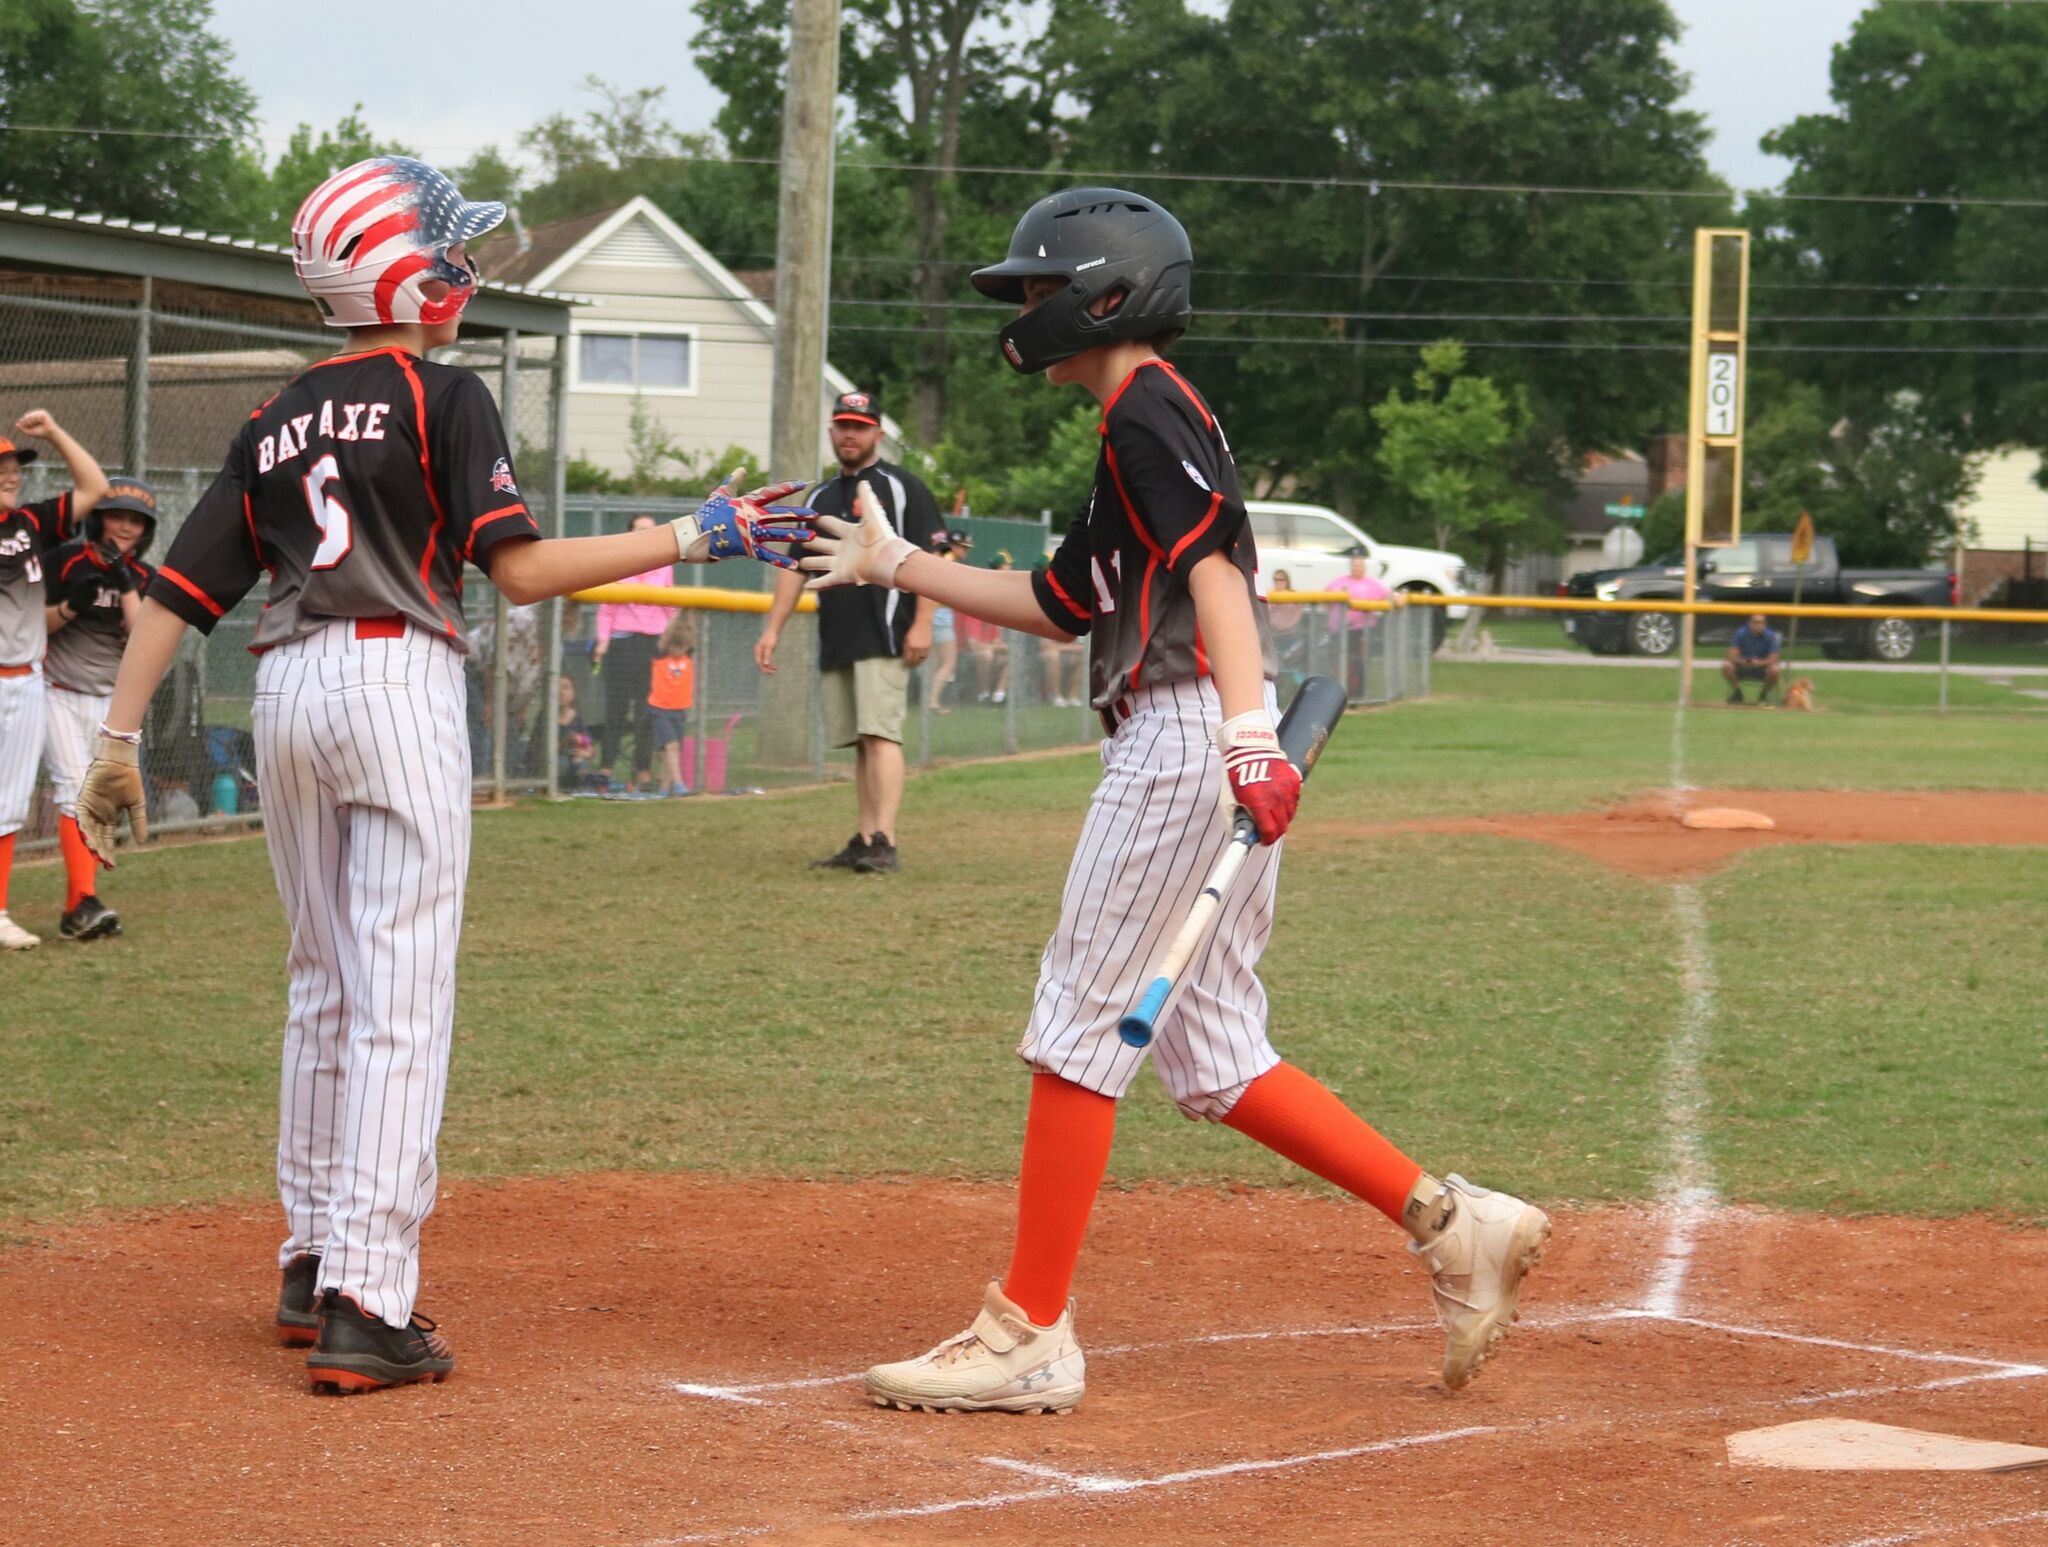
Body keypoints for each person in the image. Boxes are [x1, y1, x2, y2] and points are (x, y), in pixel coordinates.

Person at [801, 186, 1549, 1414]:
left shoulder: (1147, 409)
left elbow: (1213, 577)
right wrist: (895, 563)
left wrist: (1249, 737)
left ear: (1108, 294)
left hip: (1186, 743)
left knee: (1077, 1021)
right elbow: (1056, 603)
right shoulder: (1136, 424)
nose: (1027, 309)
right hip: (1199, 739)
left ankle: (1027, 1328)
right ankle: (1449, 1220)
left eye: (1042, 288)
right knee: (1211, 1051)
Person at [73, 156, 811, 1394]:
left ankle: (312, 1260)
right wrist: (698, 530)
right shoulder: (443, 392)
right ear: (400, 275)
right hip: (395, 678)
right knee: (401, 993)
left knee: (323, 982)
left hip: (291, 689)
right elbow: (515, 573)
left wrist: (112, 738)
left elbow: (179, 593)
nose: (465, 270)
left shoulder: (275, 416)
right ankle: (371, 1299)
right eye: (448, 252)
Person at [756, 388, 942, 876]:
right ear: (831, 431)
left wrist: (923, 624)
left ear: (878, 432)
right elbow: (795, 566)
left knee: (881, 734)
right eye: (842, 425)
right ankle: (863, 838)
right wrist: (772, 629)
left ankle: (886, 839)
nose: (850, 434)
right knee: (860, 739)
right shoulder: (819, 496)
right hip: (838, 632)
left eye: (860, 426)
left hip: (885, 631)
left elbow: (932, 558)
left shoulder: (902, 487)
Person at [0, 411, 108, 952]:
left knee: (9, 803)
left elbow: (96, 487)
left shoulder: (29, 523)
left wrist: (55, 433)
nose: (11, 473)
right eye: (0, 468)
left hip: (29, 679)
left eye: (14, 465)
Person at [42, 476, 158, 940]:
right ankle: (83, 904)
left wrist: (123, 579)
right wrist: (71, 605)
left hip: (111, 702)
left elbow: (142, 637)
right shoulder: (62, 560)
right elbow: (34, 628)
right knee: (73, 789)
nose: (125, 527)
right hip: (58, 690)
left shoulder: (145, 578)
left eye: (135, 521)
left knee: (98, 800)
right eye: (117, 516)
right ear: (98, 518)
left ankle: (79, 908)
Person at [594, 513, 672, 791]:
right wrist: (603, 642)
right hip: (622, 642)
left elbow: (670, 604)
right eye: (640, 530)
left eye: (651, 531)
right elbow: (606, 608)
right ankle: (606, 768)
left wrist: (671, 641)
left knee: (647, 710)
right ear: (629, 533)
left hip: (653, 643)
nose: (646, 535)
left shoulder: (664, 565)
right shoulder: (618, 563)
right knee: (616, 708)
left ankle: (642, 772)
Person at [1326, 547, 1391, 700]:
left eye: (1360, 565)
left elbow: (1388, 596)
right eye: (1355, 565)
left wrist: (1397, 599)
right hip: (1340, 630)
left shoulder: (1372, 584)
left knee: (1359, 661)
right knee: (1339, 660)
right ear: (1351, 567)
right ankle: (1337, 693)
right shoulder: (1339, 582)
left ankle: (1358, 694)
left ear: (1365, 567)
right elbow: (1326, 600)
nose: (1357, 568)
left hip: (1361, 630)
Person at [649, 612, 696, 796]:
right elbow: (666, 637)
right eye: (675, 647)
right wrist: (674, 618)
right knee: (672, 746)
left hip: (679, 709)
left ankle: (663, 790)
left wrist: (689, 610)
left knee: (672, 751)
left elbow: (692, 635)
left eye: (682, 648)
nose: (678, 651)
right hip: (660, 709)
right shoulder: (661, 656)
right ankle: (678, 783)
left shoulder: (687, 657)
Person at [925, 531, 963, 713]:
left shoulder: (938, 557)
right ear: (955, 546)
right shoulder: (949, 559)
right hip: (941, 614)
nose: (965, 552)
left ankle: (927, 698)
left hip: (930, 614)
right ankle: (932, 700)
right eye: (964, 547)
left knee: (931, 662)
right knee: (948, 661)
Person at [1723, 613, 1783, 705]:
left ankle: (1764, 695)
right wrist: (1743, 661)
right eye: (1756, 622)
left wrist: (1759, 663)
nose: (1759, 625)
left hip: (1762, 668)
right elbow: (1731, 655)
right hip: (1743, 666)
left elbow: (1774, 658)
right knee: (1726, 666)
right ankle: (1737, 693)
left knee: (1775, 670)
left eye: (1762, 623)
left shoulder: (1770, 635)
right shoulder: (1740, 633)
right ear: (1749, 623)